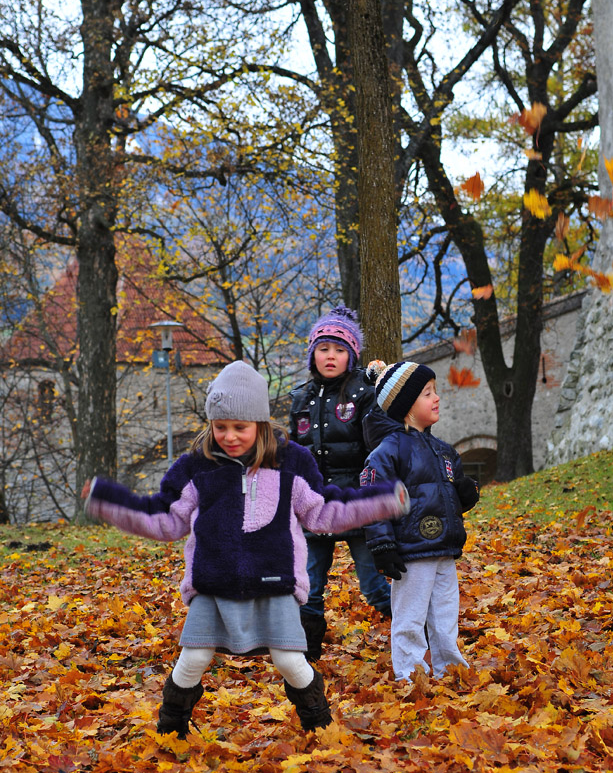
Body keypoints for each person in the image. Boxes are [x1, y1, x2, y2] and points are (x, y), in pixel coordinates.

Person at [83, 360, 408, 738]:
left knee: (290, 661)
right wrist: (106, 499)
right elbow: (163, 518)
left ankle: (320, 728)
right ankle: (171, 730)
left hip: (275, 581)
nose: (230, 436)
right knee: (194, 658)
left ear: (260, 423)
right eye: (220, 427)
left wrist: (384, 499)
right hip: (213, 582)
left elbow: (324, 512)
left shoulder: (291, 463)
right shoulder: (196, 468)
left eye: (240, 427)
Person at [360, 361, 479, 682]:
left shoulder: (443, 451)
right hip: (410, 550)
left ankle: (449, 667)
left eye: (436, 391)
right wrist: (382, 544)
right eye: (428, 393)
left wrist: (466, 494)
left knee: (444, 615)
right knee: (410, 617)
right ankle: (411, 673)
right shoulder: (387, 453)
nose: (437, 398)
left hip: (444, 548)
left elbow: (451, 492)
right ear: (406, 407)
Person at [289, 305, 392, 660]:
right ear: (312, 354)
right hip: (313, 508)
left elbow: (377, 447)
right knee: (308, 586)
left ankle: (418, 633)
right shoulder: (300, 399)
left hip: (356, 508)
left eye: (339, 350)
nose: (330, 356)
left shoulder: (363, 393)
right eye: (323, 349)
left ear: (351, 355)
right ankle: (306, 657)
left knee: (375, 586)